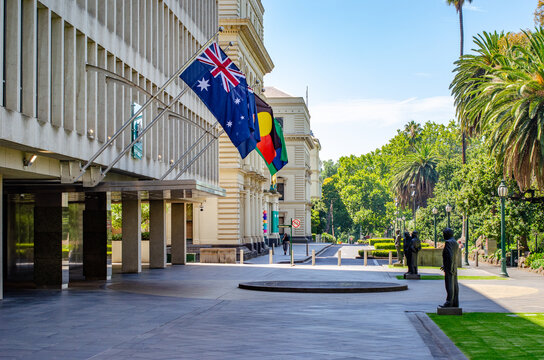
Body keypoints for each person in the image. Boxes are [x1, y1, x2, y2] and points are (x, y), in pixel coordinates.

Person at [440, 228, 459, 308]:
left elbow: (450, 256)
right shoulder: (455, 242)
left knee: (449, 285)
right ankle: (455, 302)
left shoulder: (448, 242)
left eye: (444, 234)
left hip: (450, 268)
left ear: (447, 234)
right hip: (454, 267)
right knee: (455, 284)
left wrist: (449, 267)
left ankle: (449, 302)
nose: (443, 235)